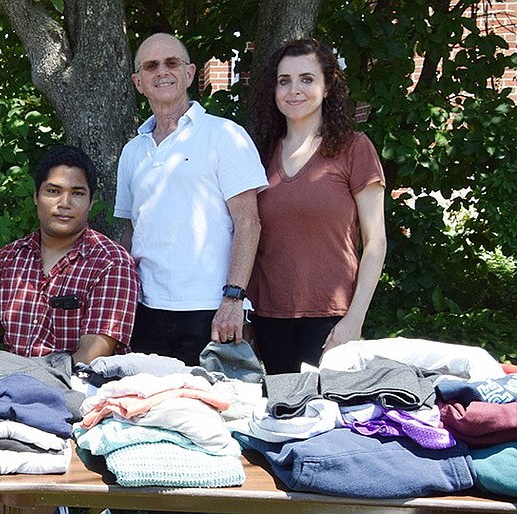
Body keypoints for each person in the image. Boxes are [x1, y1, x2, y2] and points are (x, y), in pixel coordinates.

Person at [115, 33, 269, 366]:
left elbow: (249, 222)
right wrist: (123, 303)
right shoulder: (132, 152)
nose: (162, 71)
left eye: (172, 62)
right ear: (138, 82)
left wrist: (233, 299)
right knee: (147, 411)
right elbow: (131, 231)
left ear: (189, 73)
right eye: (151, 66)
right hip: (146, 310)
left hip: (210, 311)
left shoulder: (224, 136)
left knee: (211, 414)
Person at [246, 38, 386, 374]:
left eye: (306, 79)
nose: (294, 90)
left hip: (331, 316)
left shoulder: (354, 148)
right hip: (268, 316)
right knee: (275, 416)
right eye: (285, 81)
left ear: (327, 86)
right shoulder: (258, 154)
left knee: (323, 419)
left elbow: (376, 243)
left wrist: (354, 319)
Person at [0, 145, 138, 364]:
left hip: (77, 389)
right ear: (36, 196)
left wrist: (24, 382)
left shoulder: (111, 263)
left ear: (91, 202)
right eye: (53, 191)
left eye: (77, 193)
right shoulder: (7, 259)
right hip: (6, 385)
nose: (64, 204)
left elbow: (92, 353)